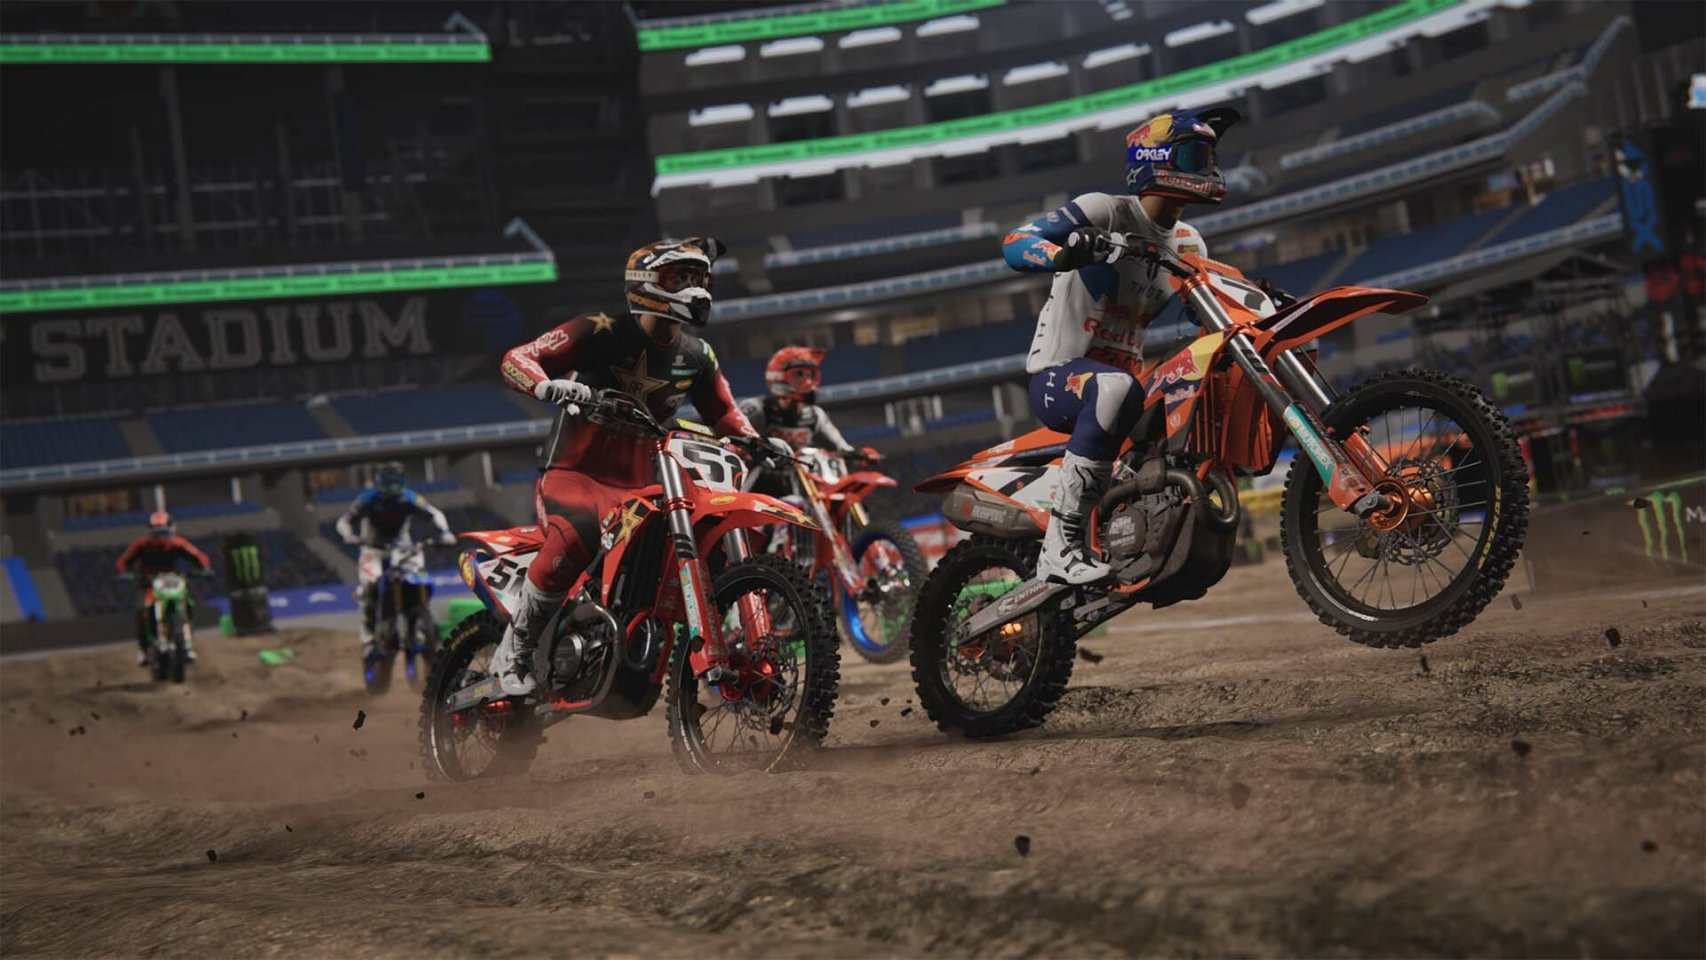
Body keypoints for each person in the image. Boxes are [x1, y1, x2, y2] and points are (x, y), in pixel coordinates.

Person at [490, 237, 774, 696]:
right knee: (578, 534)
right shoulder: (600, 330)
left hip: (644, 487)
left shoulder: (698, 355)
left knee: (697, 543)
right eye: (680, 278)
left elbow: (723, 412)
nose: (696, 289)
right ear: (646, 283)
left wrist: (757, 441)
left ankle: (709, 647)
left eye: (700, 278)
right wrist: (546, 386)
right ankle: (516, 650)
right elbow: (518, 358)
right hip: (574, 475)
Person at [1001, 106, 1242, 585]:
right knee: (1114, 388)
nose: (1208, 168)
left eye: (1209, 157)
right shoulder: (1104, 210)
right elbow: (1015, 242)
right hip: (1059, 377)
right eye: (1195, 156)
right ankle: (1060, 546)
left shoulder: (1190, 244)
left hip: (1130, 387)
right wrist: (1064, 252)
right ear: (1156, 159)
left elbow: (1208, 316)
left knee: (1200, 386)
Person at [335, 462, 455, 661]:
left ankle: (419, 623)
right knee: (369, 587)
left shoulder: (409, 497)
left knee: (417, 576)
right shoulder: (368, 499)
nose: (393, 488)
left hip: (402, 547)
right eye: (388, 483)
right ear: (379, 483)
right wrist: (348, 535)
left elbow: (435, 514)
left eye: (396, 483)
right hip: (373, 548)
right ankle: (368, 639)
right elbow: (344, 520)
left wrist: (445, 533)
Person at [116, 510, 212, 666]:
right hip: (148, 583)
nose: (161, 536)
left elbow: (199, 556)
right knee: (141, 611)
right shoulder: (141, 544)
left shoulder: (178, 543)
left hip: (172, 581)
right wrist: (124, 572)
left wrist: (205, 568)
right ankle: (144, 649)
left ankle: (187, 644)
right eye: (157, 532)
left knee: (188, 605)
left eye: (163, 532)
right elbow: (123, 561)